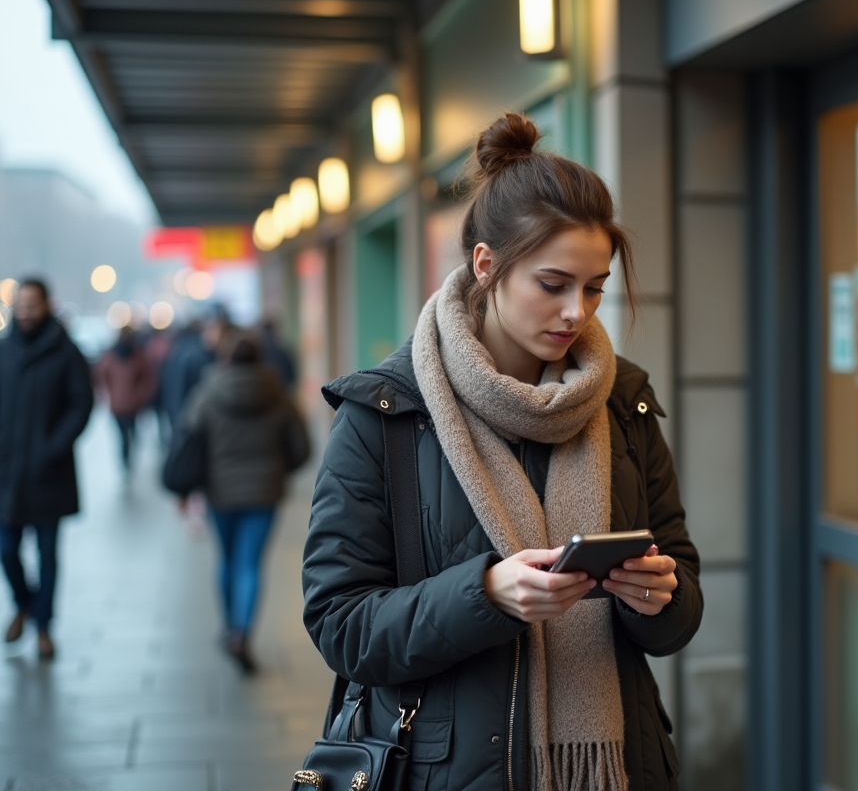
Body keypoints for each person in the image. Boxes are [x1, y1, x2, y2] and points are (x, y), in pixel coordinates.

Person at [302, 113, 703, 791]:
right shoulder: (387, 413)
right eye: (553, 284)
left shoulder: (623, 399)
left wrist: (659, 596)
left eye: (595, 286)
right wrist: (484, 592)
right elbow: (340, 622)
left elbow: (681, 595)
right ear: (487, 265)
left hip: (617, 768)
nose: (578, 311)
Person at [184, 328, 310, 672]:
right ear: (261, 357)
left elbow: (190, 440)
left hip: (219, 492)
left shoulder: (207, 394)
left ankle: (229, 626)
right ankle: (243, 632)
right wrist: (278, 471)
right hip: (264, 493)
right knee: (250, 564)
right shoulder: (279, 395)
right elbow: (302, 449)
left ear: (225, 357)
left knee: (226, 559)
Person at [0, 278, 94, 659]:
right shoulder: (4, 350)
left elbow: (81, 404)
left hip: (48, 473)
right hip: (6, 472)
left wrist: (53, 446)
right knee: (7, 550)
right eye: (20, 305)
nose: (25, 312)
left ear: (46, 306)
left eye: (32, 305)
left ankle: (43, 626)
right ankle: (25, 602)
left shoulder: (66, 352)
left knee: (48, 554)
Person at [94, 326, 156, 474]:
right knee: (125, 435)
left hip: (123, 405)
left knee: (125, 435)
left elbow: (147, 380)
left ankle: (126, 459)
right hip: (124, 405)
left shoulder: (119, 356)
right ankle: (126, 459)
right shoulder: (135, 356)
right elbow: (102, 377)